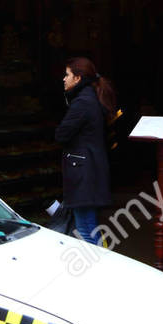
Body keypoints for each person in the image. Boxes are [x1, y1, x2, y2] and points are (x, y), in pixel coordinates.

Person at [54, 56, 116, 246]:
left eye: (67, 75)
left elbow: (61, 134)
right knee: (88, 226)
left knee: (85, 230)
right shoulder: (90, 98)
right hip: (89, 171)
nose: (64, 79)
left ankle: (101, 269)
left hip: (84, 174)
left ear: (78, 78)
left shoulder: (82, 102)